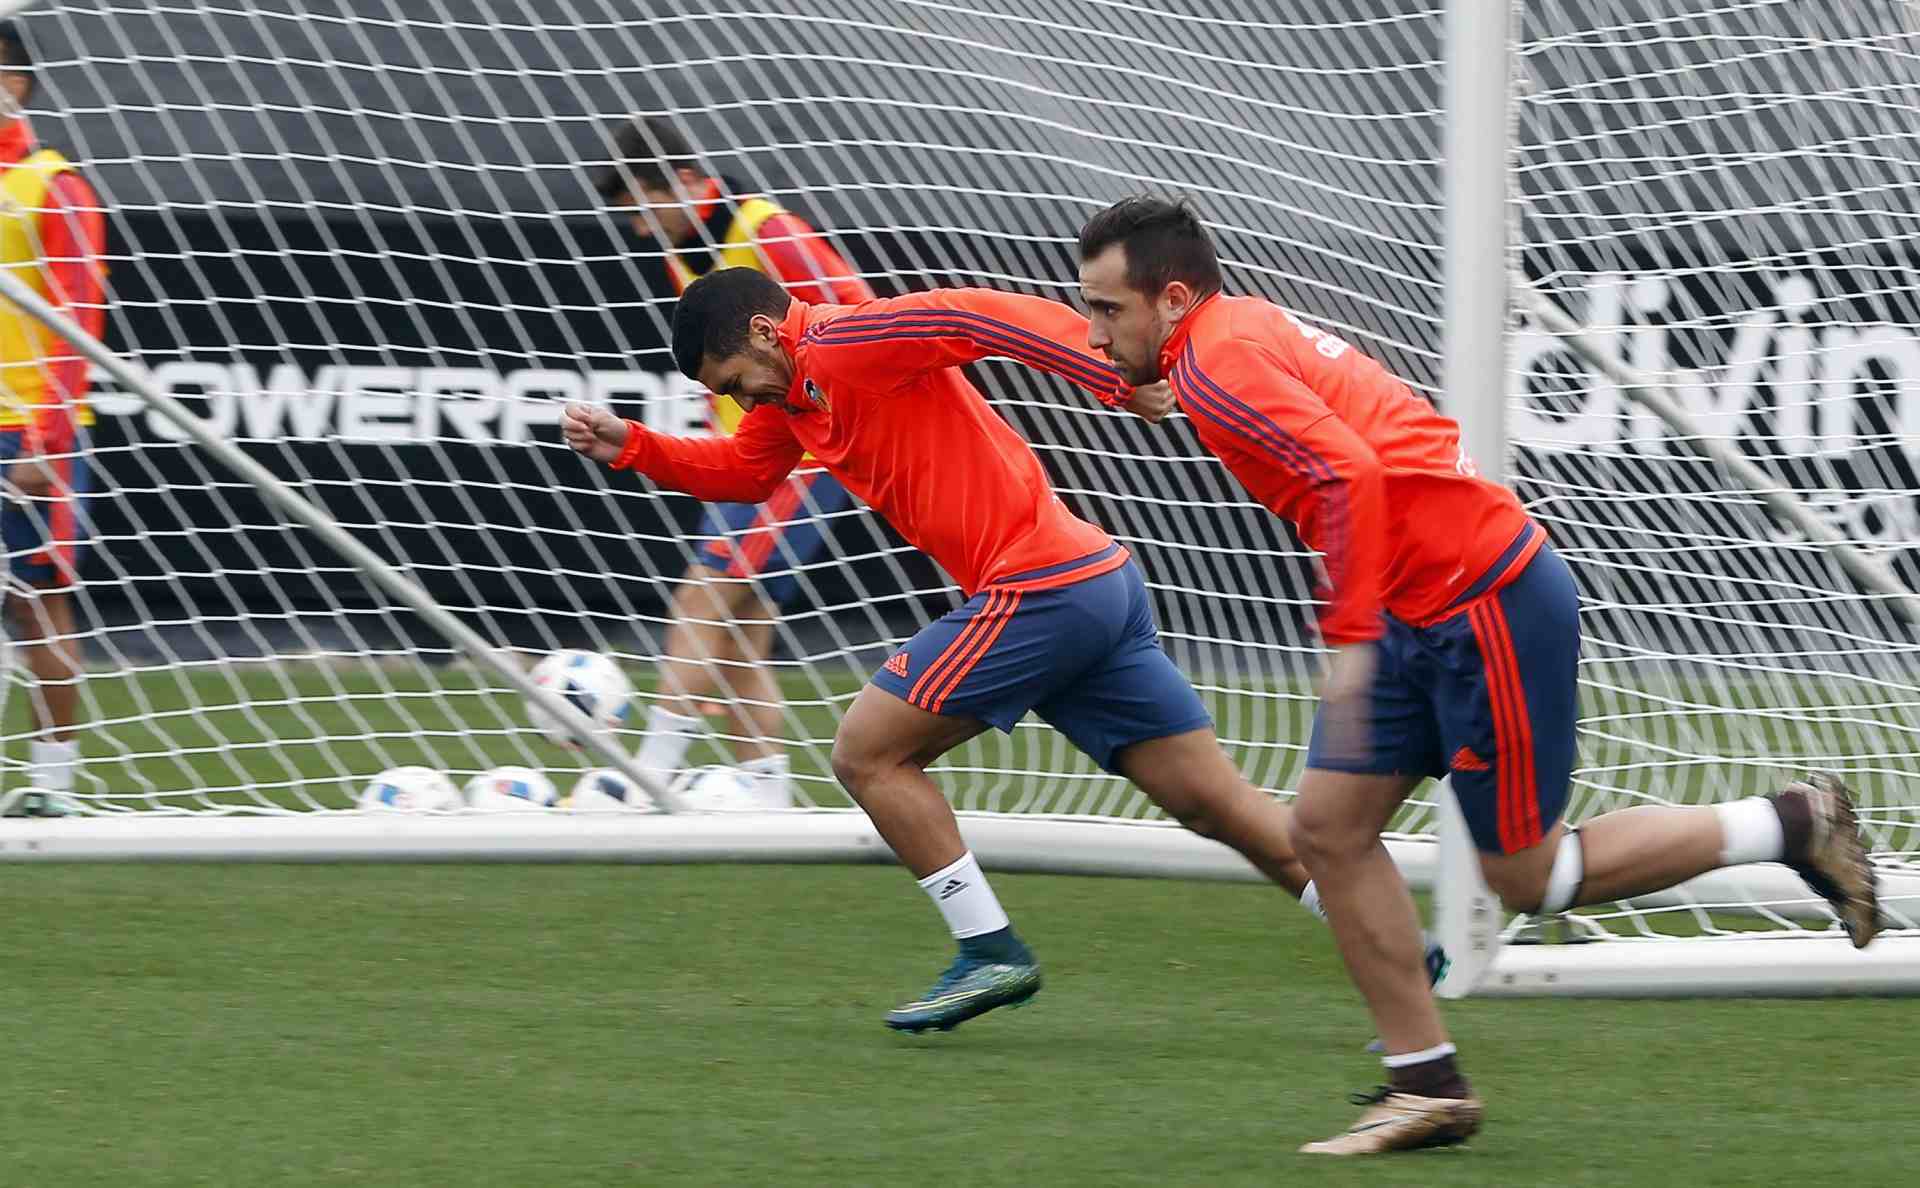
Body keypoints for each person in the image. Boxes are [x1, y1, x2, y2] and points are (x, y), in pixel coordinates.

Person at [1071, 194, 1880, 1155]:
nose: (1095, 330)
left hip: (1478, 598)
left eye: (1107, 311)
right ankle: (1426, 1085)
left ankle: (1793, 824)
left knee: (1531, 877)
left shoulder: (1218, 360)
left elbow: (1347, 478)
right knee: (1327, 831)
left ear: (1169, 299)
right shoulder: (1219, 338)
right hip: (1426, 601)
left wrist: (1351, 641)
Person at [563, 266, 1325, 1033]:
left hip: (1043, 588)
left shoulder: (842, 339)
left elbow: (980, 316)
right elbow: (742, 474)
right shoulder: (793, 397)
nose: (739, 400)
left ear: (765, 334)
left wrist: (1115, 374)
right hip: (1093, 584)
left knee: (866, 753)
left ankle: (989, 949)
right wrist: (632, 446)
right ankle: (1393, 936)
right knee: (1214, 805)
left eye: (734, 381)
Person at [591, 116, 875, 805]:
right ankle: (767, 797)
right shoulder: (683, 253)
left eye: (644, 210)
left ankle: (645, 780)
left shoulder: (769, 230)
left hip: (802, 452)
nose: (640, 229)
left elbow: (862, 313)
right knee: (742, 634)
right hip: (746, 455)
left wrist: (815, 409)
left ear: (687, 182)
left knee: (704, 595)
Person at [0, 22, 106, 812]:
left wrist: (45, 438)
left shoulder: (53, 183)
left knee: (37, 605)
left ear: (19, 83)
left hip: (26, 432)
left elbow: (80, 321)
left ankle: (54, 791)